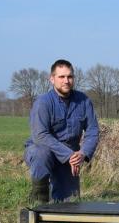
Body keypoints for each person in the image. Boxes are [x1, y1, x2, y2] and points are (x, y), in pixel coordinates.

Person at [24, 59, 99, 203]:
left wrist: (82, 154)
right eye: (61, 77)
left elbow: (92, 131)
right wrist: (69, 155)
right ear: (52, 79)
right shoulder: (43, 103)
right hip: (45, 151)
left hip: (70, 157)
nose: (66, 81)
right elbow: (40, 136)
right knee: (40, 152)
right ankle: (39, 200)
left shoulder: (84, 101)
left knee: (70, 203)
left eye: (70, 77)